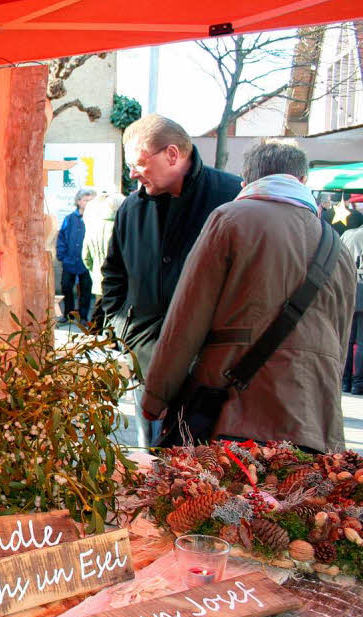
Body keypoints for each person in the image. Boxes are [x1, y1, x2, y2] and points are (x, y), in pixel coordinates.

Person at [140, 140, 353, 453]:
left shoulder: (231, 219)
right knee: (296, 501)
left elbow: (187, 317)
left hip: (235, 412)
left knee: (228, 501)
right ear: (302, 182)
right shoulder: (337, 247)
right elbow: (340, 340)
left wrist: (156, 396)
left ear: (246, 180)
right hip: (313, 420)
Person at [101, 114, 241, 448]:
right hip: (145, 359)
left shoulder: (233, 196)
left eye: (139, 163)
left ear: (173, 155)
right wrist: (122, 328)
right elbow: (114, 274)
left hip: (211, 372)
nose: (132, 173)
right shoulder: (131, 208)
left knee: (205, 475)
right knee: (152, 465)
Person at [56, 188, 95, 322]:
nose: (88, 203)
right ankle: (68, 314)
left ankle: (83, 316)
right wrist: (62, 256)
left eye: (91, 201)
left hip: (86, 262)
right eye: (86, 200)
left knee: (85, 289)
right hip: (70, 260)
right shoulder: (69, 219)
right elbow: (61, 237)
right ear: (78, 201)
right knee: (66, 286)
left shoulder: (94, 218)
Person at [339, 211, 363, 393]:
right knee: (361, 340)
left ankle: (344, 380)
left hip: (346, 288)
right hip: (361, 288)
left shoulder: (347, 234)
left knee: (347, 338)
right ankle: (357, 383)